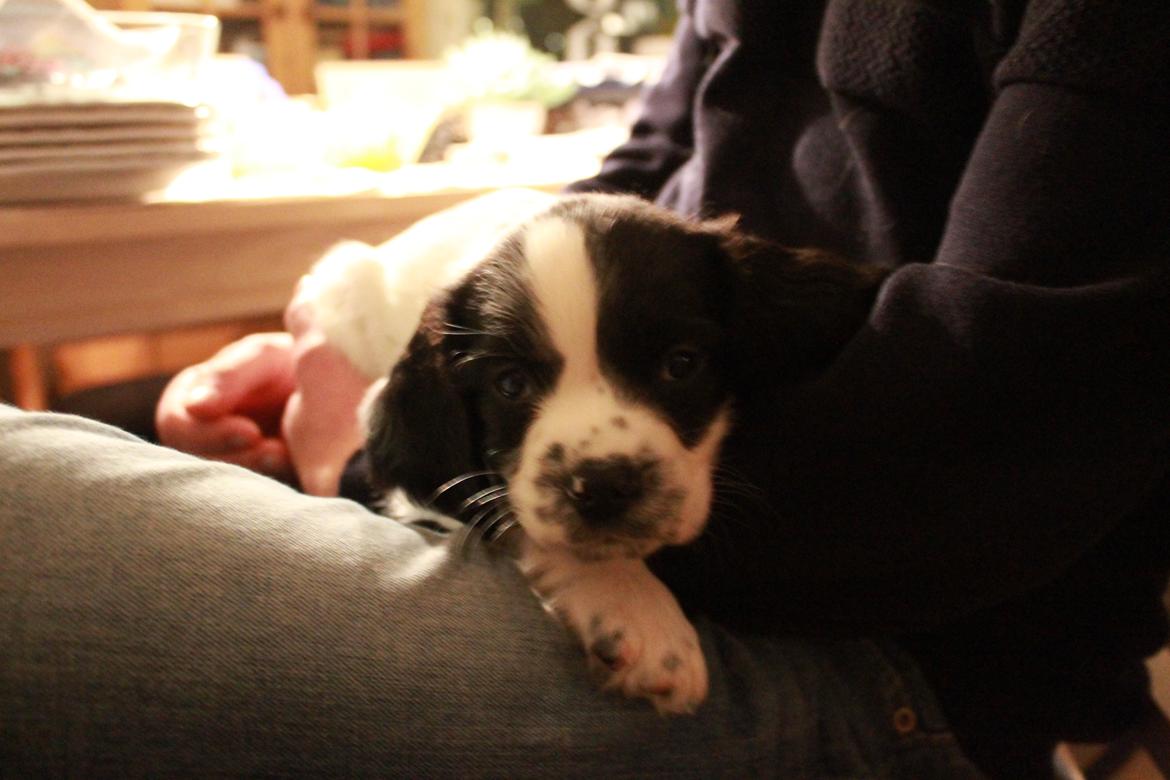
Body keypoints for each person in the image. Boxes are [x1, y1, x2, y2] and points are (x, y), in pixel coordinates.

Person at [4, 1, 1169, 776]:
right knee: (90, 428)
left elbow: (988, 433)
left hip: (898, 662)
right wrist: (364, 360)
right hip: (702, 549)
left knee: (26, 517)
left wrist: (356, 462)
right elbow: (625, 192)